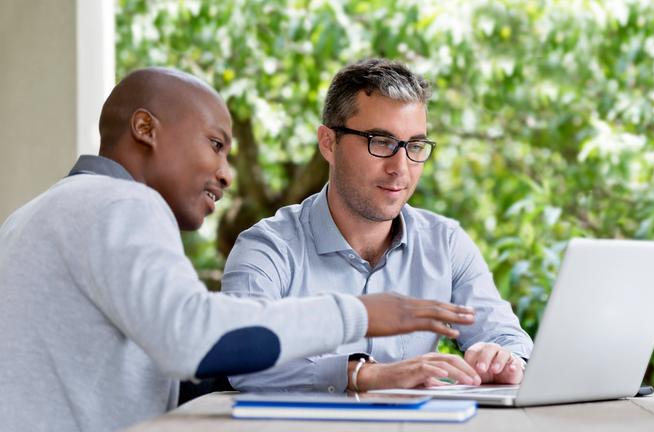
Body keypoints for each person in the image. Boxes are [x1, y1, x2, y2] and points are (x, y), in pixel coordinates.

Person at [0, 67, 476, 432]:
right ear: (145, 128)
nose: (227, 173)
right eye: (215, 144)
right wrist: (360, 313)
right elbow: (195, 339)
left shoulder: (38, 213)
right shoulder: (123, 204)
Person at [222, 59, 533, 394]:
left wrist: (502, 357)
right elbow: (239, 355)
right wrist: (364, 374)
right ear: (328, 143)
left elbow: (509, 339)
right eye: (380, 141)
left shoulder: (445, 243)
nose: (400, 168)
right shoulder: (268, 247)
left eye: (414, 146)